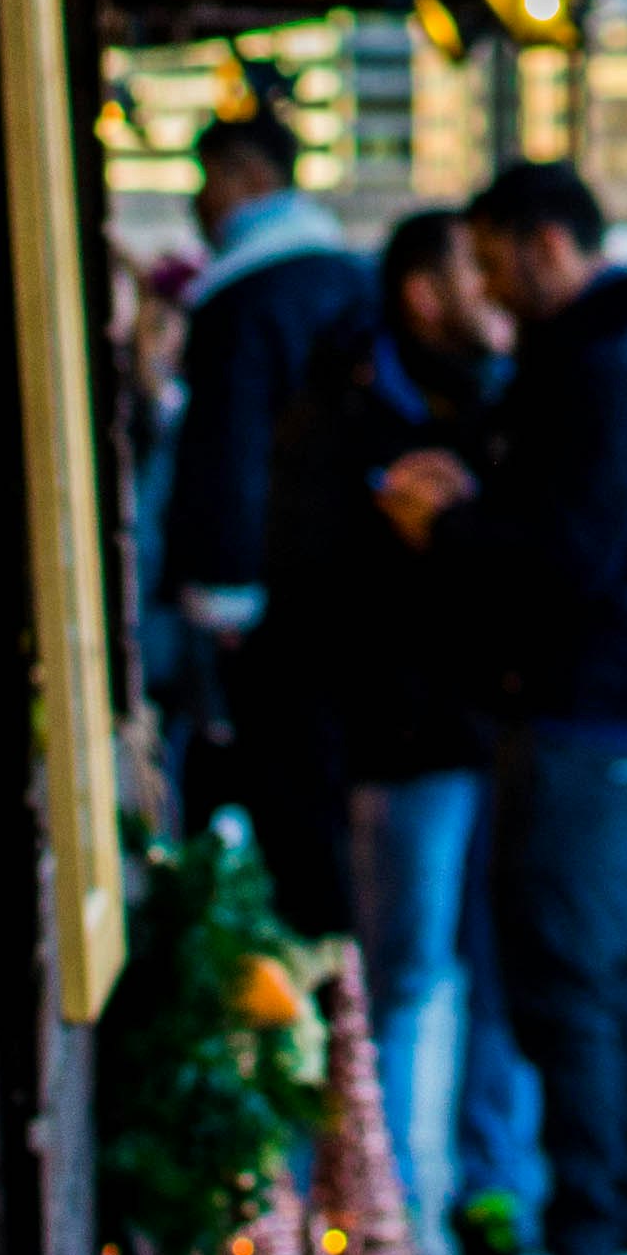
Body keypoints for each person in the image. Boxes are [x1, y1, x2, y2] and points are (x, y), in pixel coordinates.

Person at [409, 164, 627, 1255]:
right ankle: (619, 1238)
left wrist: (445, 524)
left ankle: (590, 1249)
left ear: (545, 245)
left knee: (568, 978)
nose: (489, 295)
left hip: (589, 710)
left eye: (494, 265)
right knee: (602, 980)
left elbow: (570, 549)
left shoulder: (612, 364)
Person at [264, 210, 544, 1255]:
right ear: (427, 291)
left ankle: (487, 1193)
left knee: (491, 968)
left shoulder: (502, 396)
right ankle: (383, 1213)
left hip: (489, 726)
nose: (498, 290)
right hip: (406, 737)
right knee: (407, 972)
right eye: (480, 271)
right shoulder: (349, 408)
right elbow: (317, 580)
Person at [153, 109, 378, 920]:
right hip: (339, 578)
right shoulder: (346, 276)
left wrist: (221, 586)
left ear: (248, 177)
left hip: (272, 598)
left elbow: (228, 451)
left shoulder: (243, 300)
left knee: (285, 794)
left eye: (206, 177)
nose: (198, 200)